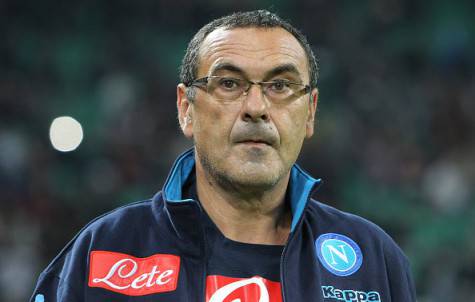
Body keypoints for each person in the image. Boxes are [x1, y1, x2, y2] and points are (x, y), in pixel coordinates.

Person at [31, 10, 416, 302]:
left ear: (311, 112)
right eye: (229, 83)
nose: (256, 107)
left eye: (280, 85)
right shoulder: (105, 250)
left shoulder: (373, 258)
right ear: (186, 108)